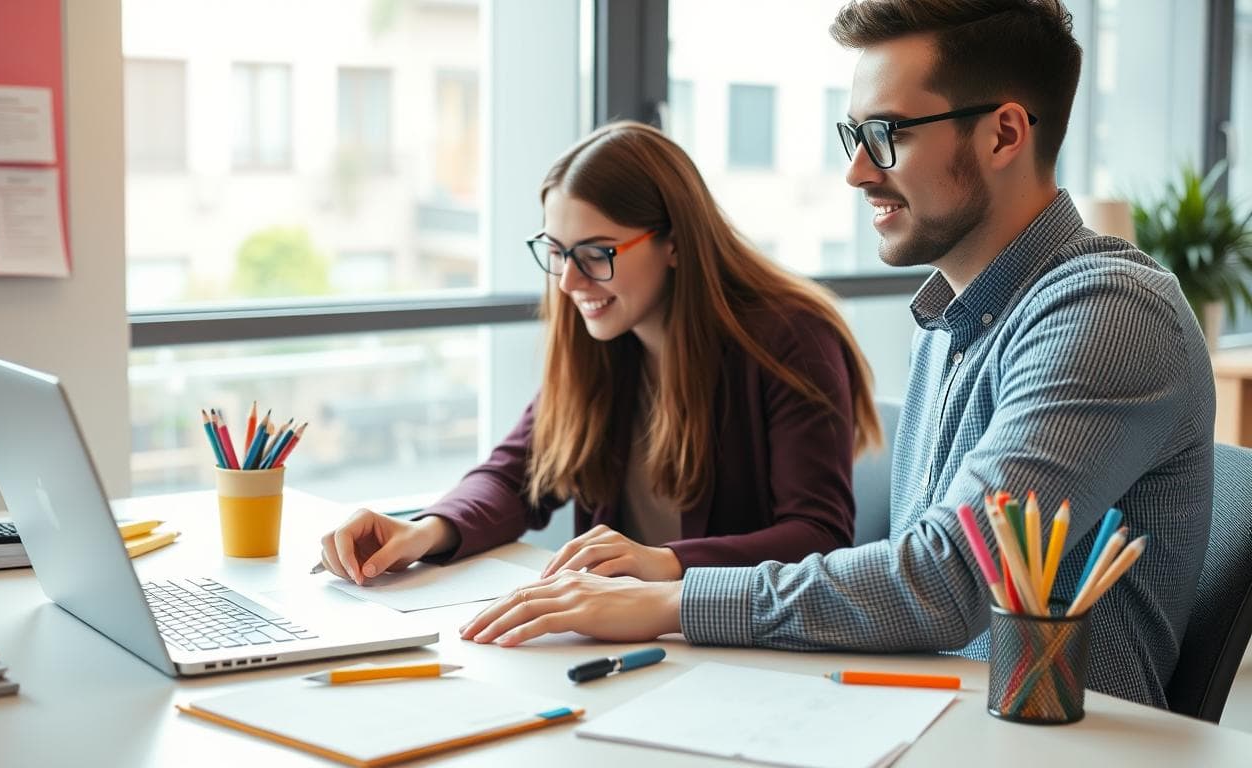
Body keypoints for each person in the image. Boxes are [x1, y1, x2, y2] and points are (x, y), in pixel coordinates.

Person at [459, 0, 1214, 710]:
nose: (857, 170)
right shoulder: (949, 323)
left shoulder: (1110, 313)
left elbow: (946, 578)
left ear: (1003, 135)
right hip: (929, 715)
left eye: (886, 134)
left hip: (1050, 748)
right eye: (852, 136)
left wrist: (672, 598)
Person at [317, 121, 881, 587]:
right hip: (625, 635)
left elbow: (817, 536)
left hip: (741, 647)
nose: (568, 282)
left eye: (595, 253)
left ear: (676, 243)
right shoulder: (605, 337)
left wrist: (664, 562)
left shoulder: (790, 338)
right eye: (557, 252)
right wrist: (425, 530)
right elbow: (516, 475)